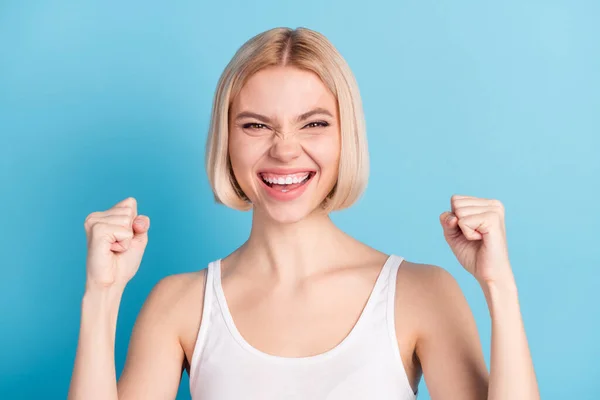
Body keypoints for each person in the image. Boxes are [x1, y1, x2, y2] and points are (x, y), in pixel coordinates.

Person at [68, 27, 540, 400]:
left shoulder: (421, 292)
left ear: (344, 137)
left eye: (313, 124)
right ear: (226, 142)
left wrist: (500, 288)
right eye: (256, 125)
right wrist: (101, 297)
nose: (285, 150)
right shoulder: (178, 305)